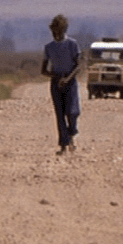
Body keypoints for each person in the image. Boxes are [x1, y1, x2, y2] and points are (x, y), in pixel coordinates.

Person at [41, 14, 82, 155]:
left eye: (57, 32)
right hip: (56, 84)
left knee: (72, 112)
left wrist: (67, 78)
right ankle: (64, 145)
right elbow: (43, 70)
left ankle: (72, 133)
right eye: (53, 32)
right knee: (60, 115)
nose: (55, 35)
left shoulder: (72, 44)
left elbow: (78, 66)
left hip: (70, 82)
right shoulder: (49, 47)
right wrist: (56, 77)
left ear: (63, 30)